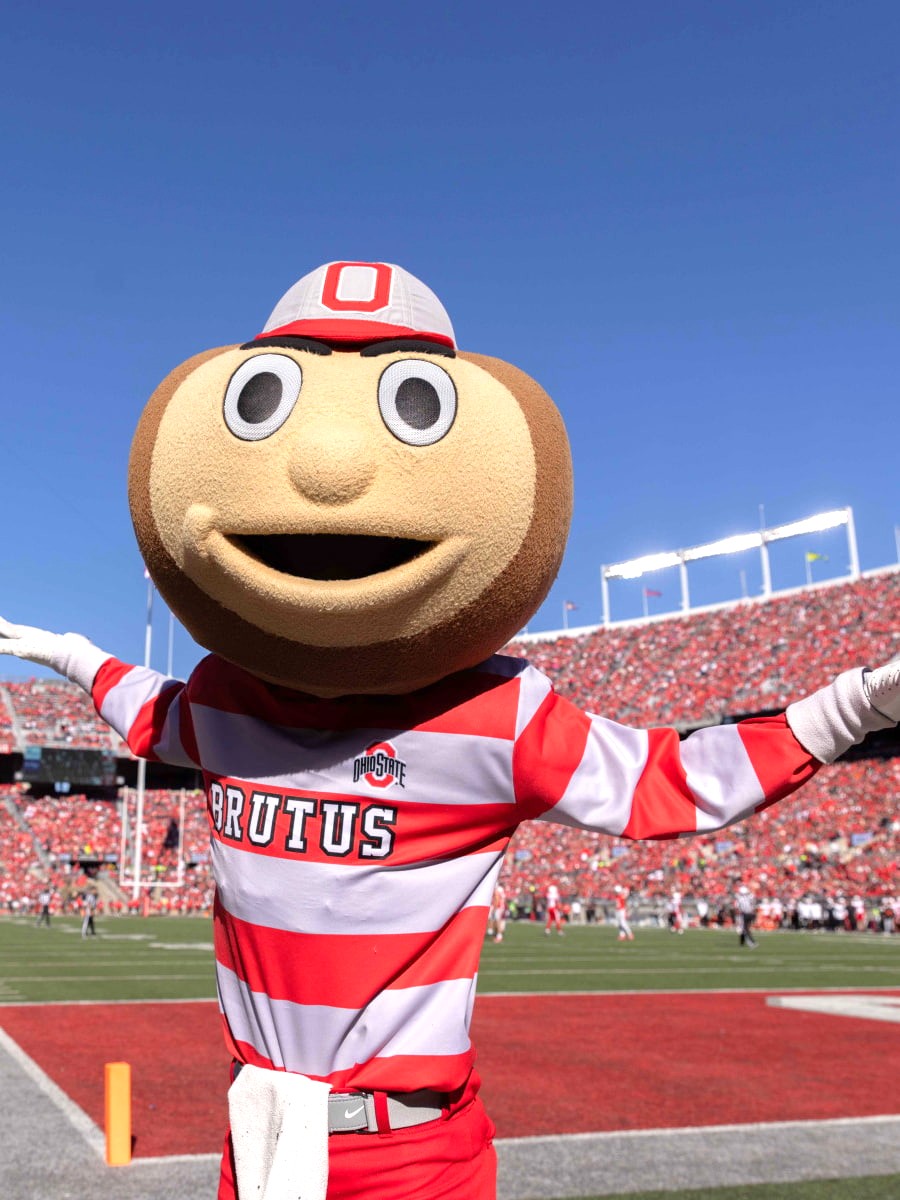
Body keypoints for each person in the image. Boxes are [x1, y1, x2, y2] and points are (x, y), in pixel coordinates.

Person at [2, 258, 899, 1200]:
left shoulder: (495, 714)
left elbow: (666, 783)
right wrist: (68, 653)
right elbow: (148, 708)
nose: (331, 469)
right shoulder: (228, 698)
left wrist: (855, 706)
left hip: (408, 1153)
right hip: (258, 1144)